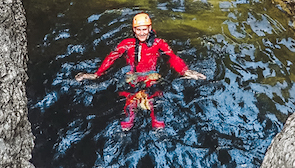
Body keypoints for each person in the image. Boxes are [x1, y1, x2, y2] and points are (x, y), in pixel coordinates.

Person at [75, 13, 206, 129]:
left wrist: (185, 71)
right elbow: (111, 58)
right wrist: (96, 74)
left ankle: (158, 128)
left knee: (156, 103)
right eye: (139, 30)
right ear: (134, 30)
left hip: (151, 77)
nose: (142, 33)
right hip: (133, 77)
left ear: (150, 29)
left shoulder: (159, 44)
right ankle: (125, 129)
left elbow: (172, 57)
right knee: (129, 108)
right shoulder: (127, 44)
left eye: (145, 29)